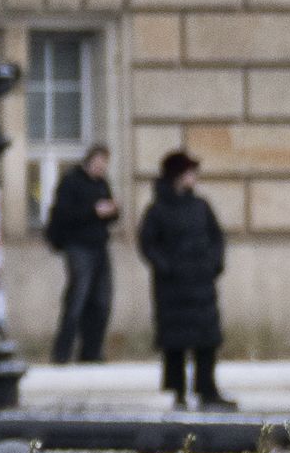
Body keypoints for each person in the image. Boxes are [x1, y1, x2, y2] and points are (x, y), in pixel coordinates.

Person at [140, 149, 228, 412]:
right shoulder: (157, 209)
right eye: (189, 173)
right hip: (174, 287)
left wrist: (214, 264)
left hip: (201, 284)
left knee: (207, 340)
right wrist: (167, 267)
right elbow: (147, 244)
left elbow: (217, 237)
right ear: (177, 176)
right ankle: (176, 391)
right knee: (175, 343)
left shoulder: (201, 205)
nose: (194, 178)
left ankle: (207, 389)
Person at [44, 143, 123, 367]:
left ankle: (91, 351)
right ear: (89, 161)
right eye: (99, 163)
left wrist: (113, 210)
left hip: (99, 246)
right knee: (77, 298)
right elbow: (64, 214)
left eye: (104, 164)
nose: (101, 167)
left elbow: (109, 217)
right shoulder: (71, 182)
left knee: (101, 301)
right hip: (78, 246)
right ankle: (62, 352)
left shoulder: (102, 184)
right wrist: (94, 211)